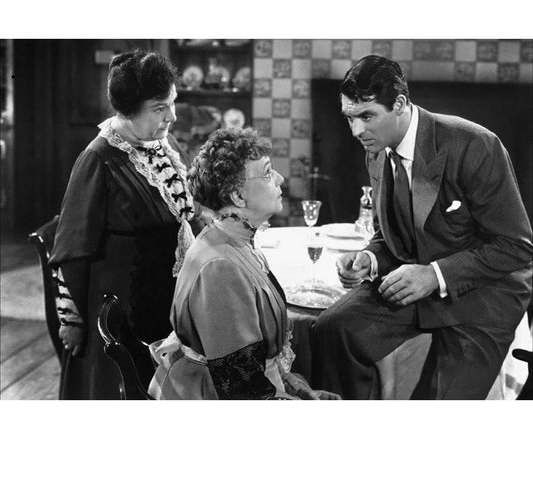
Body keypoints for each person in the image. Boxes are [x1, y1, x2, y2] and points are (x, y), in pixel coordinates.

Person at [311, 55, 533, 399]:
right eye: (350, 118)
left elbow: (516, 246)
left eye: (367, 116)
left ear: (400, 104)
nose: (356, 131)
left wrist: (433, 274)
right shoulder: (376, 149)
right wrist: (370, 258)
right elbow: (392, 232)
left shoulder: (474, 144)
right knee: (331, 328)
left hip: (482, 297)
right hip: (415, 288)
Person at [50, 49, 204, 399]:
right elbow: (71, 250)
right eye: (160, 108)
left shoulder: (162, 144)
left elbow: (187, 209)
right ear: (129, 110)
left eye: (172, 103)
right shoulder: (97, 159)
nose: (172, 116)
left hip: (166, 306)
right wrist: (71, 322)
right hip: (122, 321)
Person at [148, 127, 340, 400]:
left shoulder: (237, 241)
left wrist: (299, 389)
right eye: (267, 172)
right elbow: (242, 390)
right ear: (238, 196)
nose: (280, 178)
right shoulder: (219, 268)